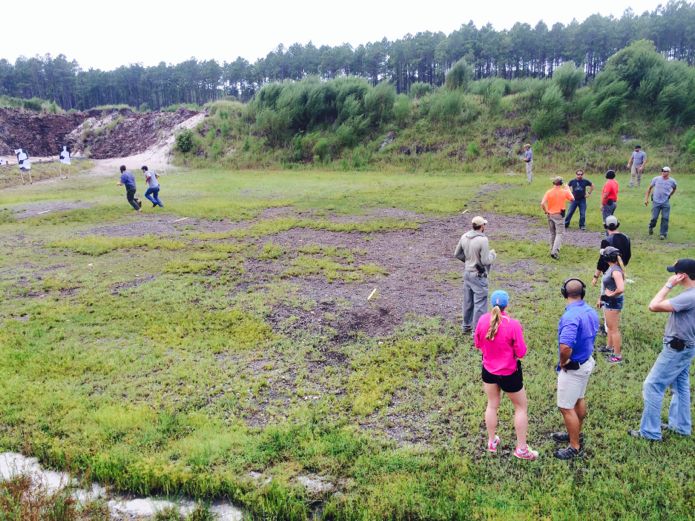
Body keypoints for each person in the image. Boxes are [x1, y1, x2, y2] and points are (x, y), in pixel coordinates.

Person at [629, 259, 695, 441]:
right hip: (687, 347)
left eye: (675, 273)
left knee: (652, 385)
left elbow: (653, 305)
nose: (673, 275)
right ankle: (680, 426)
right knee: (681, 387)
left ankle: (650, 432)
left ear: (683, 275)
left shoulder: (689, 296)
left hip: (677, 348)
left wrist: (668, 285)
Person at [474, 290, 538, 460]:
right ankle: (522, 449)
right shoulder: (513, 324)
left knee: (492, 405)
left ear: (491, 304)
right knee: (521, 407)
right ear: (507, 305)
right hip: (510, 373)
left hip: (488, 371)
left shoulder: (482, 320)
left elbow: (477, 343)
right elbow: (521, 352)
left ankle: (491, 441)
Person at [552, 278, 599, 460]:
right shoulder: (590, 311)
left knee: (565, 407)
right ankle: (575, 433)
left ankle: (574, 446)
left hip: (574, 368)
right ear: (583, 292)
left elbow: (565, 346)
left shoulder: (570, 317)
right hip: (586, 363)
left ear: (564, 293)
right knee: (579, 398)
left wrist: (563, 362)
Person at [454, 215, 497, 334]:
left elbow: (457, 254)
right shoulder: (483, 240)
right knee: (480, 304)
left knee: (468, 301)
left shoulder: (464, 236)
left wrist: (468, 262)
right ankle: (477, 331)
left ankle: (466, 326)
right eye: (484, 225)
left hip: (467, 273)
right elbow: (485, 261)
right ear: (482, 226)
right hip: (478, 276)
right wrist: (493, 255)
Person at [592, 215, 632, 337]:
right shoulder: (626, 238)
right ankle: (611, 325)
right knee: (616, 300)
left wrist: (596, 276)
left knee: (607, 299)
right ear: (617, 224)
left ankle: (608, 328)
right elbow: (628, 255)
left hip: (609, 274)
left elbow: (602, 260)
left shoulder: (606, 241)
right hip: (621, 271)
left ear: (605, 226)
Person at [595, 247, 626, 363]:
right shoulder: (611, 268)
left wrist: (610, 295)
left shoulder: (616, 271)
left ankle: (617, 356)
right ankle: (609, 347)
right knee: (609, 326)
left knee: (613, 329)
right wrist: (602, 298)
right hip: (609, 301)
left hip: (613, 302)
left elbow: (621, 288)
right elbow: (607, 287)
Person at [540, 176, 574, 260]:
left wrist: (546, 211)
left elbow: (542, 203)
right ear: (561, 183)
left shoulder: (549, 192)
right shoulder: (564, 191)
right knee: (560, 233)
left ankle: (552, 249)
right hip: (559, 215)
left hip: (550, 214)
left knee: (552, 233)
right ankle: (554, 252)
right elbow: (572, 199)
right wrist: (568, 189)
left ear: (553, 183)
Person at [645, 166, 677, 240]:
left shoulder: (672, 181)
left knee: (665, 218)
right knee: (654, 218)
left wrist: (670, 195)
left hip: (665, 202)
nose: (663, 172)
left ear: (669, 172)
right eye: (662, 171)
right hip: (656, 202)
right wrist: (646, 199)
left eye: (665, 171)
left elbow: (674, 188)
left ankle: (663, 234)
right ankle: (651, 226)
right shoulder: (656, 179)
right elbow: (649, 188)